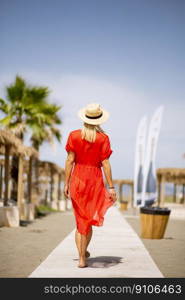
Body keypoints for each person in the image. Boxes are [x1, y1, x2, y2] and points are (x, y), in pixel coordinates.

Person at [64, 103, 117, 268]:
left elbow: (69, 161)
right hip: (94, 180)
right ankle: (83, 254)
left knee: (80, 220)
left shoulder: (74, 135)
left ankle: (81, 257)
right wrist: (111, 187)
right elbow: (106, 164)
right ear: (99, 120)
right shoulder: (103, 138)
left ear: (84, 118)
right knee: (88, 220)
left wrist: (66, 183)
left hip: (77, 180)